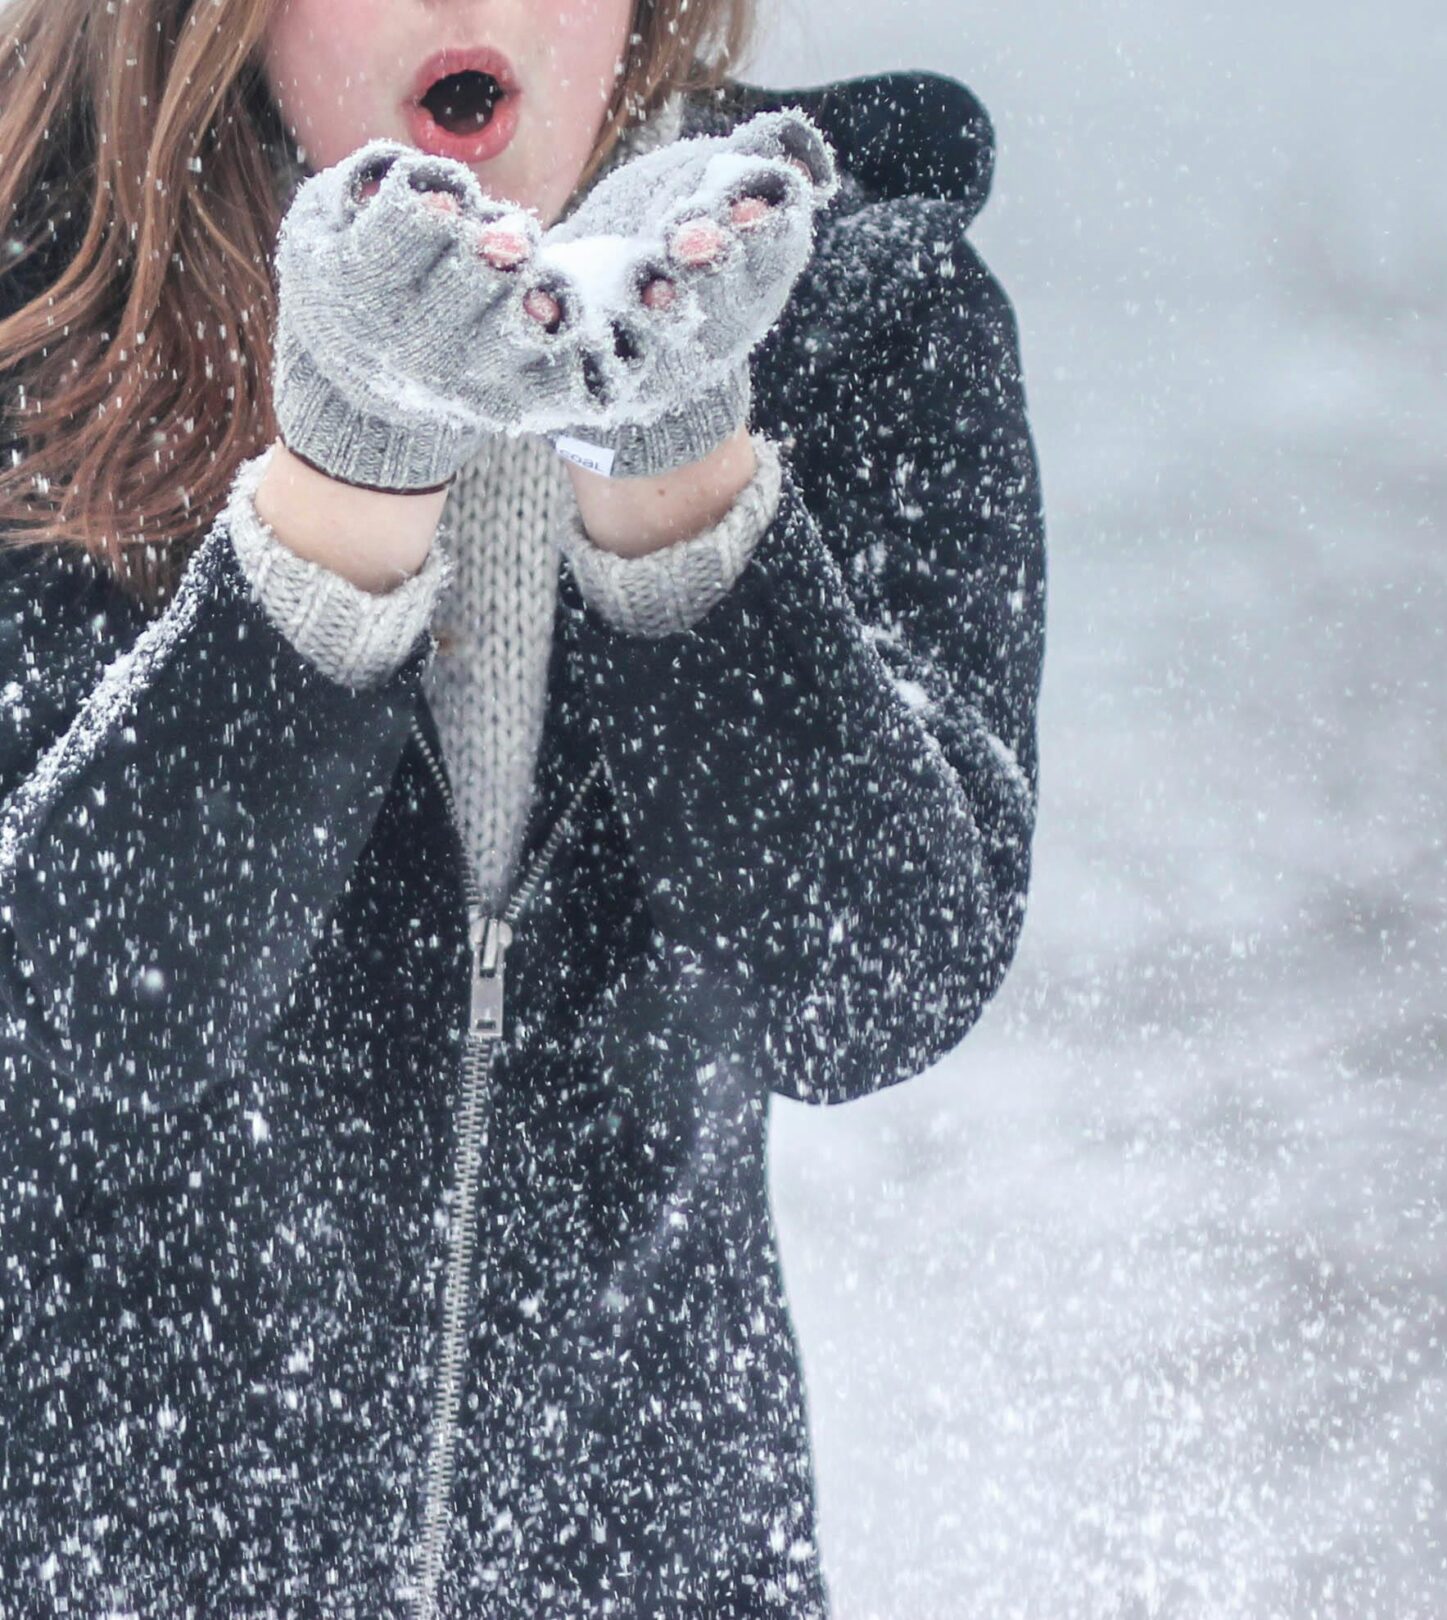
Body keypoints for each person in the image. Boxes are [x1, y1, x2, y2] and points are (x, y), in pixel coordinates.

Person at [0, 0, 1045, 1612]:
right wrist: (349, 473)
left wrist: (678, 465)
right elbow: (75, 1014)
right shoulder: (39, 320)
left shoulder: (857, 314)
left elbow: (870, 987)